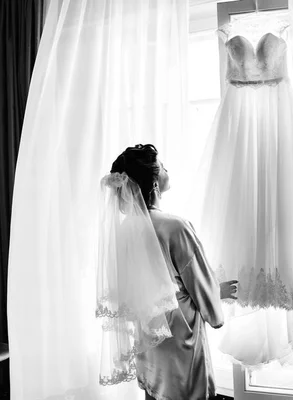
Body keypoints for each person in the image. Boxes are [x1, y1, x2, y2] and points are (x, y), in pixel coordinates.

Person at [107, 144, 238, 400]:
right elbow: (198, 281)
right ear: (154, 183)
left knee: (156, 393)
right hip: (179, 333)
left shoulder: (123, 230)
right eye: (163, 166)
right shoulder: (175, 226)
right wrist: (216, 295)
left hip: (148, 333)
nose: (168, 169)